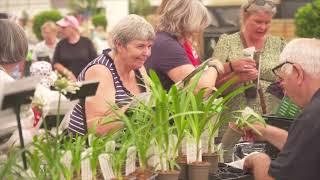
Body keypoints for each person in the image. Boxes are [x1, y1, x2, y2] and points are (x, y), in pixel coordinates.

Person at [232, 38, 320, 180]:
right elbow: (303, 148)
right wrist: (266, 131)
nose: (282, 87)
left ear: (297, 72)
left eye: (282, 79)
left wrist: (259, 160)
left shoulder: (312, 116)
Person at [67, 14, 155, 136]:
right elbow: (96, 128)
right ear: (119, 45)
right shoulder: (99, 71)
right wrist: (135, 107)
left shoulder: (138, 68)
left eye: (149, 46)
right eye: (140, 46)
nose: (147, 53)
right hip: (88, 149)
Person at [213, 0, 286, 115]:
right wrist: (236, 77)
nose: (263, 27)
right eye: (258, 21)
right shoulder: (227, 42)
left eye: (267, 22)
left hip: (270, 118)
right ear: (244, 17)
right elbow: (213, 86)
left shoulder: (279, 44)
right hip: (234, 118)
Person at [145, 0, 228, 93]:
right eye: (200, 23)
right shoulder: (168, 46)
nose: (200, 29)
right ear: (189, 21)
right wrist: (214, 66)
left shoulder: (164, 40)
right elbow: (201, 90)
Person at [53, 15, 97, 81]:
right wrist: (67, 73)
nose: (61, 30)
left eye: (64, 27)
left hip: (86, 81)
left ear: (73, 27)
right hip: (67, 84)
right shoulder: (61, 44)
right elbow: (55, 63)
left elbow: (95, 62)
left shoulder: (87, 42)